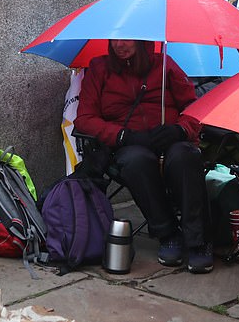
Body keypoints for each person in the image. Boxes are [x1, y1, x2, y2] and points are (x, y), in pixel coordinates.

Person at [73, 39, 214, 273]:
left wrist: (180, 129)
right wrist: (121, 136)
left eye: (126, 38)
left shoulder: (164, 64)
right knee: (136, 161)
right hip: (128, 142)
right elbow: (84, 118)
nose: (119, 44)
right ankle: (167, 233)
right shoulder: (99, 68)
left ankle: (198, 240)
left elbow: (194, 108)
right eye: (114, 39)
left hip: (170, 138)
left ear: (141, 41)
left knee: (184, 157)